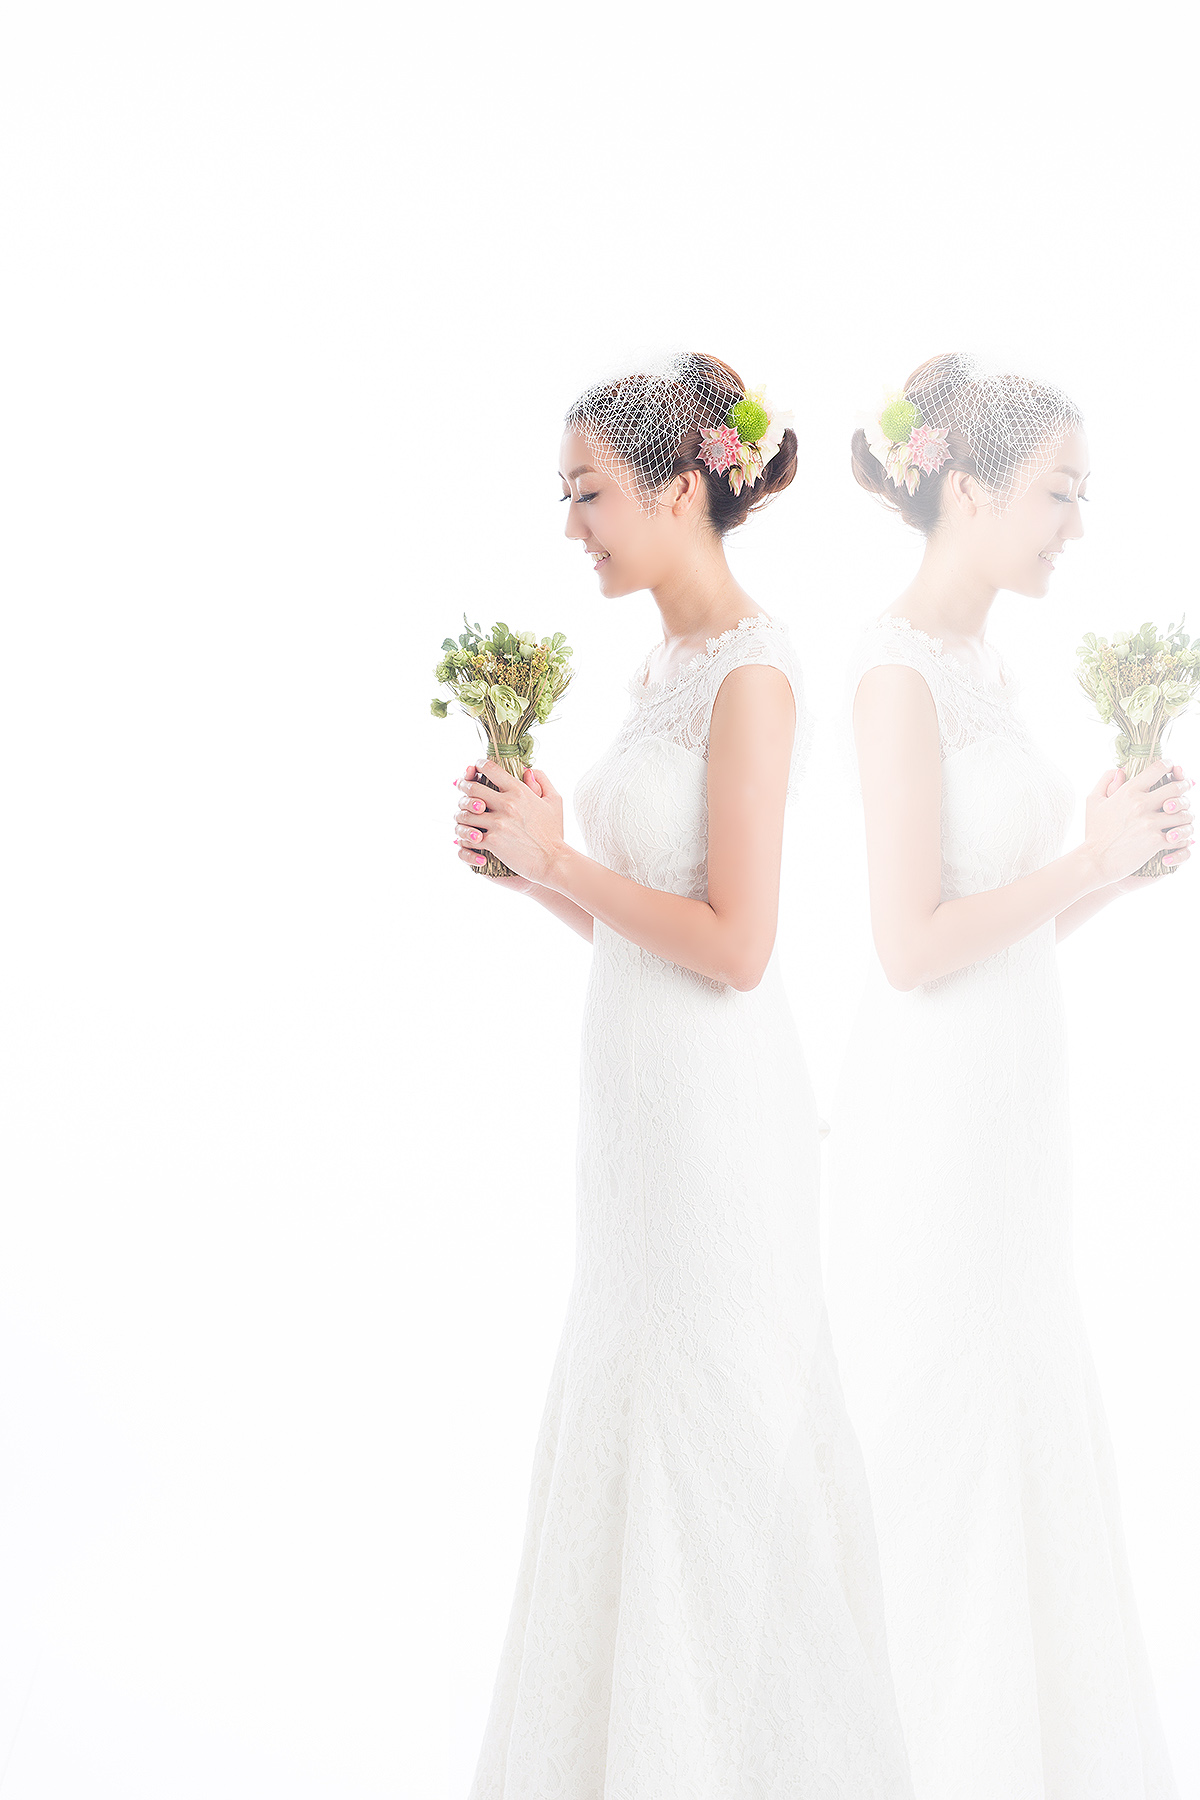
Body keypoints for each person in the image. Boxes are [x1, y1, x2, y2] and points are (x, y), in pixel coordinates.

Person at [457, 352, 913, 1798]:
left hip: (718, 1131)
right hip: (634, 1124)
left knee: (715, 1420)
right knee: (633, 1398)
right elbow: (647, 930)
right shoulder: (657, 669)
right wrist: (533, 869)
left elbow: (737, 946)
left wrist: (563, 859)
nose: (571, 525)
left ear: (676, 490)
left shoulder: (753, 671)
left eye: (588, 493)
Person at [826, 351, 1186, 1799]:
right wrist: (1085, 866)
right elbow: (911, 945)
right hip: (933, 1129)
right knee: (942, 1428)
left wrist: (1111, 869)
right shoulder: (894, 671)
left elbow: (1004, 934)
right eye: (1060, 494)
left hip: (1014, 1112)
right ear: (965, 489)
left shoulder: (985, 670)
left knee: (1019, 1415)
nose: (1076, 525)